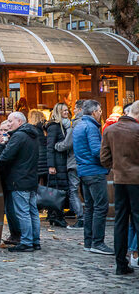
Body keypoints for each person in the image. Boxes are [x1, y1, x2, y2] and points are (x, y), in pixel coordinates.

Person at [100, 100, 139, 275]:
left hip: (119, 180)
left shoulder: (110, 130)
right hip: (136, 181)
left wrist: (117, 168)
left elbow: (104, 159)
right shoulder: (137, 131)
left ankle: (120, 264)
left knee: (120, 222)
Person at [73, 99, 113, 255]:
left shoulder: (79, 125)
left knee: (89, 207)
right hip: (94, 171)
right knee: (101, 207)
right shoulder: (90, 127)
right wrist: (110, 160)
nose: (101, 113)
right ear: (94, 112)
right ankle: (97, 242)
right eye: (100, 111)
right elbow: (97, 151)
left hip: (83, 171)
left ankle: (89, 242)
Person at [0, 112, 41, 253]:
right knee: (32, 212)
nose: (8, 123)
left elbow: (5, 157)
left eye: (11, 121)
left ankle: (27, 242)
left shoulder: (19, 136)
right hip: (31, 178)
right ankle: (35, 241)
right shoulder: (32, 134)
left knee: (23, 212)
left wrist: (3, 146)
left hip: (19, 179)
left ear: (20, 122)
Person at [54, 100, 85, 230]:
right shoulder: (93, 123)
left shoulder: (76, 124)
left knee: (73, 190)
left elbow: (67, 144)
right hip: (87, 163)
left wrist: (56, 145)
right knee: (86, 191)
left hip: (74, 162)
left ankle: (81, 218)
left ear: (78, 109)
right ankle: (89, 217)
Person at [45, 103, 70, 228]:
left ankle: (54, 215)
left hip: (63, 162)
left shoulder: (65, 126)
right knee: (57, 190)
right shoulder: (54, 127)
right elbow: (49, 147)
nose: (66, 112)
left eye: (67, 110)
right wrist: (51, 165)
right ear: (58, 112)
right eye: (64, 110)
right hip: (57, 163)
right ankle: (57, 216)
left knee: (59, 190)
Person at [28, 110, 48, 185]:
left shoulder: (31, 130)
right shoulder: (45, 129)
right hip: (46, 159)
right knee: (46, 185)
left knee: (35, 185)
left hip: (36, 159)